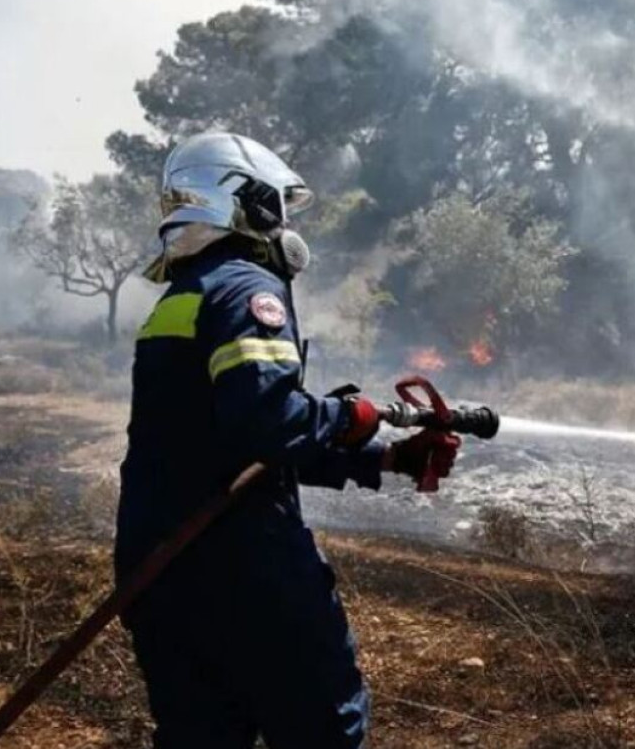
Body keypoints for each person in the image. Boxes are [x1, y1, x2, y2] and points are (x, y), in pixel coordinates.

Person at [117, 132, 455, 748]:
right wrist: (350, 414)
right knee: (322, 728)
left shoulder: (181, 299)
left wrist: (386, 457)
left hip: (160, 569)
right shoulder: (248, 288)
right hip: (246, 570)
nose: (285, 226)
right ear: (250, 203)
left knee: (202, 736)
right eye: (280, 207)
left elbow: (231, 445)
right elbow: (268, 423)